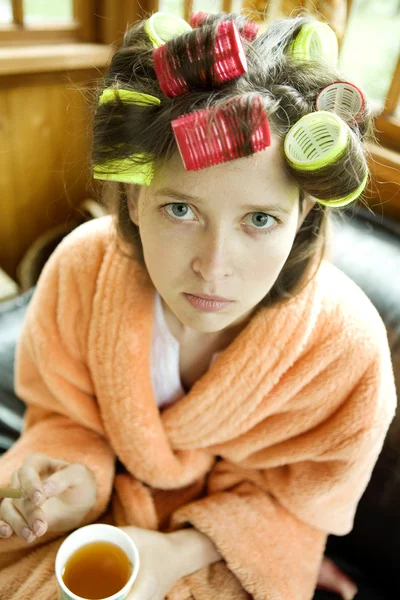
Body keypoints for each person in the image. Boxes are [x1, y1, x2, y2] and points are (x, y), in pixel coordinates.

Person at [0, 11, 396, 600]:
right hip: (95, 518)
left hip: (226, 549)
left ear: (304, 214)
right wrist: (67, 485)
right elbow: (62, 417)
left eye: (259, 220)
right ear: (134, 200)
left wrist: (173, 553)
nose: (214, 266)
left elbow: (300, 504)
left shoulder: (347, 350)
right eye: (180, 210)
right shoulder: (84, 268)